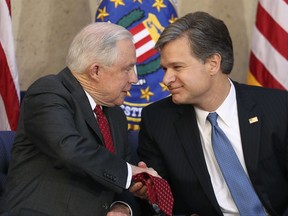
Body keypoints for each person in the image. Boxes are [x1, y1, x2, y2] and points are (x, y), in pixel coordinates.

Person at [132, 12, 288, 215]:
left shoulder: (278, 107)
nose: (167, 79)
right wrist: (150, 193)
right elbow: (162, 206)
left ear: (213, 64)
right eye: (164, 69)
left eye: (177, 67)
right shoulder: (157, 121)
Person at [1, 22, 158, 216]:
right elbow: (68, 147)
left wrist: (121, 207)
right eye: (127, 69)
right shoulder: (49, 92)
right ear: (95, 71)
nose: (134, 79)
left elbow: (116, 180)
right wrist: (130, 173)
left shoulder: (115, 114)